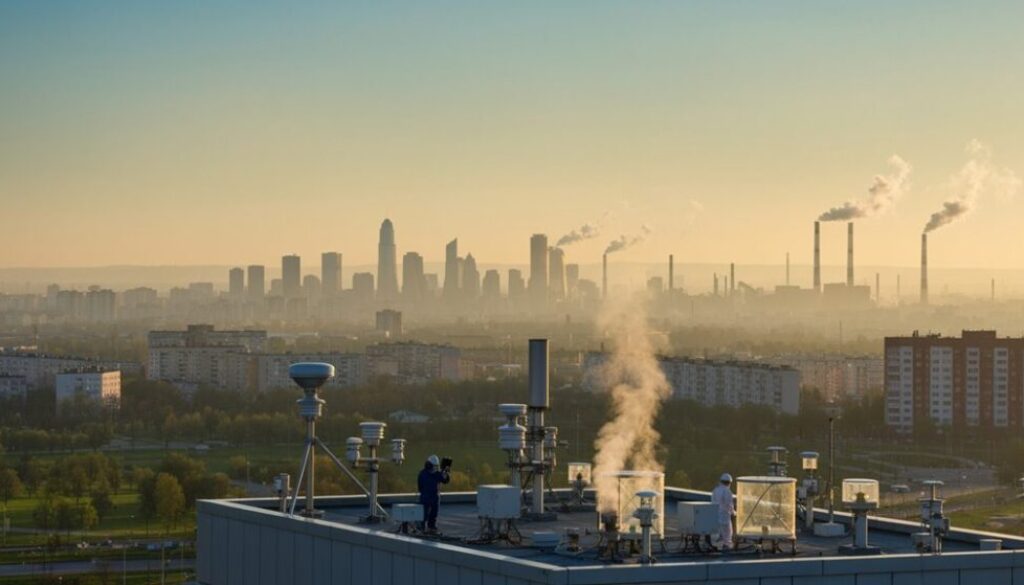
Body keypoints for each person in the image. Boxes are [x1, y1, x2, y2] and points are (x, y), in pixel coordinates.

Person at [418, 454, 451, 533]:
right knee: (423, 513)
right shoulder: (423, 474)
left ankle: (431, 527)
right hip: (426, 497)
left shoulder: (436, 474)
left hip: (434, 497)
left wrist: (446, 473)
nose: (435, 468)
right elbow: (420, 486)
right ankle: (422, 528)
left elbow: (445, 480)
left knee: (433, 513)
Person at [711, 473, 735, 551]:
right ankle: (726, 546)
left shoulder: (715, 490)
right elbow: (729, 504)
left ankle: (716, 545)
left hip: (716, 514)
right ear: (729, 482)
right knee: (727, 532)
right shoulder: (727, 491)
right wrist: (733, 512)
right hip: (725, 515)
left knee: (718, 532)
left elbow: (713, 501)